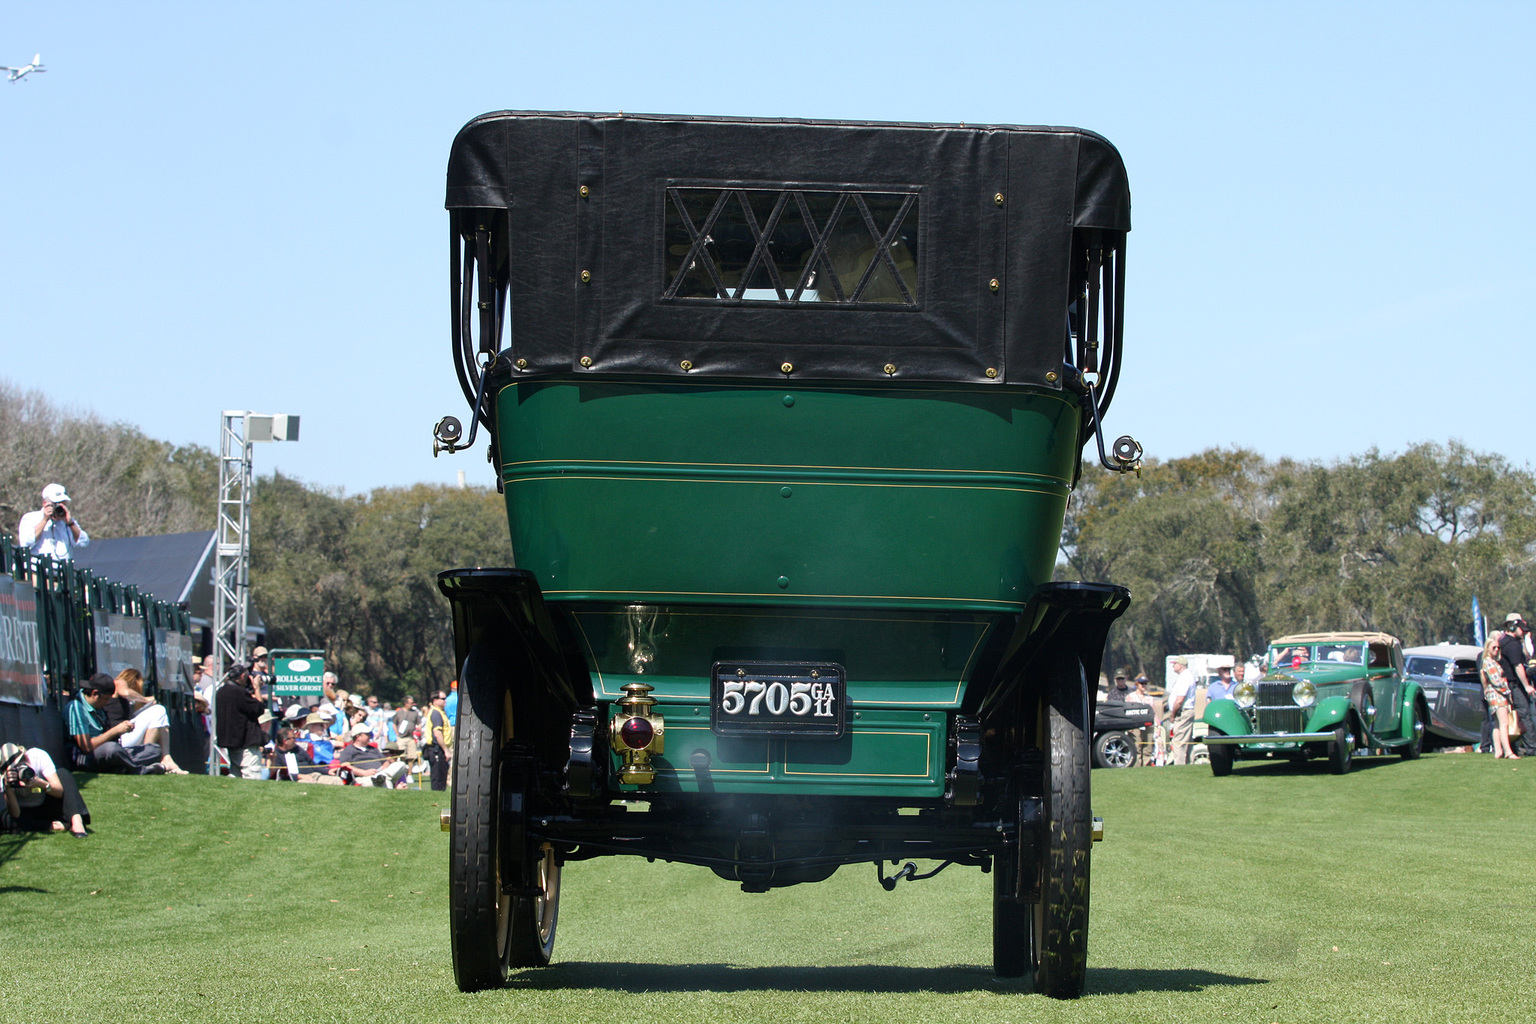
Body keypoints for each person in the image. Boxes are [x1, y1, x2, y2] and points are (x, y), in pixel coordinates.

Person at [66, 674, 166, 774]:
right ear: (94, 693)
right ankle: (138, 770)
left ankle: (120, 767)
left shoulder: (97, 707)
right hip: (86, 757)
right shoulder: (76, 708)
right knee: (112, 749)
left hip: (109, 752)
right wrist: (115, 731)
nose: (107, 702)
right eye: (106, 699)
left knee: (154, 750)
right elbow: (86, 747)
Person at [100, 669, 189, 774]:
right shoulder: (119, 683)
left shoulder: (119, 702)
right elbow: (126, 692)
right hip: (118, 738)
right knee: (159, 710)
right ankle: (149, 757)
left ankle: (167, 759)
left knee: (162, 722)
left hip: (118, 738)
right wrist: (144, 699)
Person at [1, 742, 90, 837]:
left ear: (26, 757)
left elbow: (59, 792)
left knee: (63, 774)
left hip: (47, 802)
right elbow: (16, 814)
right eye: (15, 768)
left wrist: (39, 783)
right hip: (27, 811)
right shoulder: (7, 779)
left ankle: (76, 820)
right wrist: (8, 788)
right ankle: (53, 825)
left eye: (21, 763)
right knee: (8, 820)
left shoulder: (38, 756)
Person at [215, 662, 267, 779]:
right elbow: (259, 709)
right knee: (251, 774)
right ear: (243, 676)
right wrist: (257, 688)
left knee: (236, 773)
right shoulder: (239, 693)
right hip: (246, 742)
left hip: (232, 741)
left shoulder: (221, 692)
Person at [15, 483, 90, 561]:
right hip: (37, 570)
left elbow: (84, 543)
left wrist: (70, 524)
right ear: (45, 503)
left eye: (62, 503)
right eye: (56, 504)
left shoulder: (68, 522)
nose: (59, 507)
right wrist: (45, 520)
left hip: (61, 571)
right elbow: (26, 543)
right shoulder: (30, 518)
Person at [1498, 618, 1536, 757]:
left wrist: (1526, 640)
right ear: (1514, 629)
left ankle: (1515, 747)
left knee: (1514, 717)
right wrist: (1526, 686)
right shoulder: (1512, 645)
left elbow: (1525, 656)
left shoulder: (1505, 642)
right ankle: (1531, 748)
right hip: (1515, 685)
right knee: (1524, 715)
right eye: (1522, 630)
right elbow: (1518, 665)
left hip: (1509, 685)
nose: (1524, 633)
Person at [329, 728, 409, 788]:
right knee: (386, 781)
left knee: (401, 764)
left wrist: (383, 769)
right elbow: (345, 766)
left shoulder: (373, 749)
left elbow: (385, 762)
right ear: (358, 737)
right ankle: (382, 778)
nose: (370, 736)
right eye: (367, 734)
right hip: (364, 778)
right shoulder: (349, 750)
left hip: (379, 773)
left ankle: (382, 776)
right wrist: (364, 772)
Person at [1482, 629, 1518, 759]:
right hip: (1498, 695)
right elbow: (1497, 682)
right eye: (1494, 648)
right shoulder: (1489, 662)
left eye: (1498, 648)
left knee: (1497, 725)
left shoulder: (1489, 661)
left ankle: (1498, 751)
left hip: (1494, 695)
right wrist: (1508, 692)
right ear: (1487, 649)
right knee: (1504, 723)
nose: (1496, 650)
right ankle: (1508, 751)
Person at [1167, 657, 1198, 765]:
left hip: (1183, 712)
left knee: (1178, 742)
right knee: (1187, 742)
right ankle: (1189, 764)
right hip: (1186, 712)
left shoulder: (1185, 677)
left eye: (1174, 664)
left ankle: (1179, 765)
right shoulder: (1185, 676)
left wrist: (1172, 714)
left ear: (1180, 665)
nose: (1173, 666)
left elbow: (1180, 700)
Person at [423, 690, 451, 791]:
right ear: (435, 700)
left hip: (439, 749)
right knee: (438, 776)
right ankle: (436, 795)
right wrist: (445, 750)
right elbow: (437, 734)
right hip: (437, 749)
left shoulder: (440, 712)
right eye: (442, 699)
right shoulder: (436, 713)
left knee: (442, 774)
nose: (445, 700)